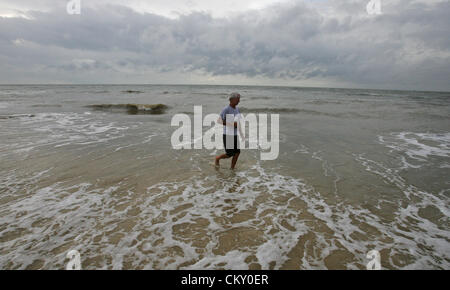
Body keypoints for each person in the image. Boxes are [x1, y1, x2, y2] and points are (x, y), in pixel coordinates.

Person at [215, 92, 242, 169]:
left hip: (234, 134)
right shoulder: (226, 109)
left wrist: (241, 133)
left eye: (239, 99)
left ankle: (232, 168)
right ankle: (217, 158)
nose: (239, 101)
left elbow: (237, 122)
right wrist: (232, 124)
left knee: (237, 152)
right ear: (231, 99)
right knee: (230, 154)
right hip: (228, 134)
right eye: (238, 99)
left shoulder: (237, 109)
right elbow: (219, 121)